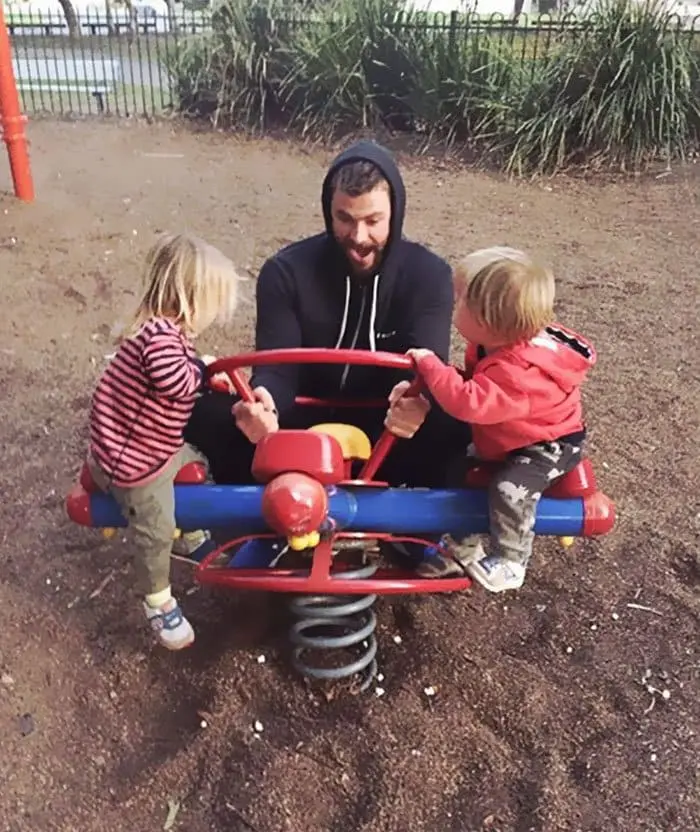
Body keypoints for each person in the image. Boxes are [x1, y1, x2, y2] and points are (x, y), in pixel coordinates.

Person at [185, 140, 470, 496]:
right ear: (327, 210)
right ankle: (234, 505)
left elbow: (427, 367)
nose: (359, 237)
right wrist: (264, 401)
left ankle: (428, 517)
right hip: (299, 426)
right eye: (345, 219)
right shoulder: (285, 271)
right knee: (208, 411)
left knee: (459, 417)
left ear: (395, 213)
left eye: (373, 221)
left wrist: (418, 401)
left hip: (389, 427)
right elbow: (277, 371)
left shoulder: (429, 275)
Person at [406, 246, 596, 592]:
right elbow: (477, 383)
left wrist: (431, 365)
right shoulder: (494, 345)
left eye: (459, 299)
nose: (452, 303)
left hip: (546, 446)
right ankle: (461, 549)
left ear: (486, 320)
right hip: (511, 434)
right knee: (457, 469)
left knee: (510, 489)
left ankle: (511, 560)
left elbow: (468, 402)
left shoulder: (519, 372)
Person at [86, 233, 240, 650]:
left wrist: (202, 365)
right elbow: (174, 381)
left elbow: (179, 368)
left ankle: (191, 533)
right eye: (214, 304)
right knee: (154, 529)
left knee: (196, 464)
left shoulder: (166, 334)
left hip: (155, 444)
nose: (215, 315)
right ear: (191, 298)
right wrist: (203, 373)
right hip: (133, 460)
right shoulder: (158, 337)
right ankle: (158, 600)